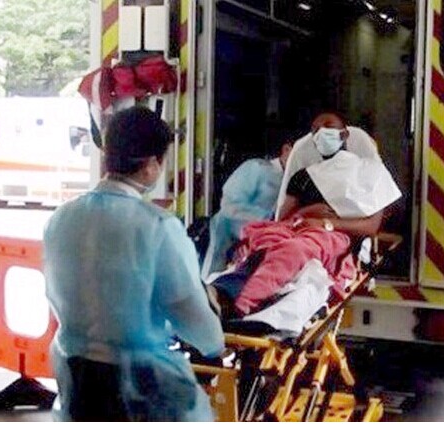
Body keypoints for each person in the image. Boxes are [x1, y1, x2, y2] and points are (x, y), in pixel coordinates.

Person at [43, 106, 224, 421]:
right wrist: (214, 343)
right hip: (138, 386)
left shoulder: (61, 218)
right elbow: (188, 310)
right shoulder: (157, 226)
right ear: (151, 165)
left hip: (76, 376)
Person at [209, 112, 402, 317]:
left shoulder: (370, 174)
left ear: (344, 135)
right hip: (296, 226)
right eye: (315, 130)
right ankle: (219, 291)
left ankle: (243, 305)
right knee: (261, 243)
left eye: (328, 126)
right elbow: (283, 218)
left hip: (333, 235)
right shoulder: (304, 176)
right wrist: (309, 212)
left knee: (293, 250)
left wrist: (326, 223)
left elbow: (371, 226)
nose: (321, 133)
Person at [201, 134, 293, 280]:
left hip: (260, 244)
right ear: (286, 149)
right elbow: (230, 204)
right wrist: (266, 219)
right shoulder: (257, 168)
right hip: (226, 236)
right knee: (212, 280)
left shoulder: (294, 181)